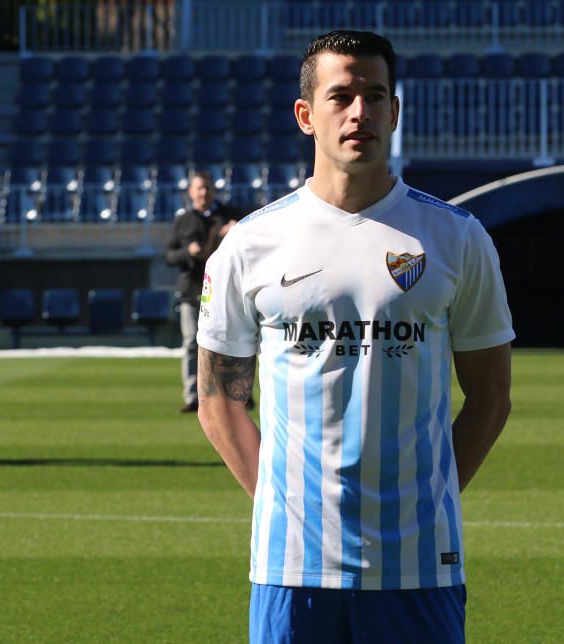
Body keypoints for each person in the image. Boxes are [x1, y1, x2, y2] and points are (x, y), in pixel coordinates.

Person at [196, 30, 513, 643]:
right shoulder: (250, 244)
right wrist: (284, 508)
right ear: (306, 115)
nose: (359, 111)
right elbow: (218, 399)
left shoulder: (457, 238)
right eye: (340, 95)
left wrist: (430, 498)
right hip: (292, 567)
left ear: (395, 110)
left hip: (419, 566)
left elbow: (492, 398)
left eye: (375, 94)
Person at [164, 171, 244, 413]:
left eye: (207, 188)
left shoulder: (231, 216)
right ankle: (193, 396)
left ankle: (237, 394)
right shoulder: (183, 220)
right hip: (192, 290)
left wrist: (238, 232)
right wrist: (188, 251)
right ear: (190, 192)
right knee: (191, 344)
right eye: (199, 188)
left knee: (232, 341)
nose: (203, 193)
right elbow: (168, 256)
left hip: (225, 290)